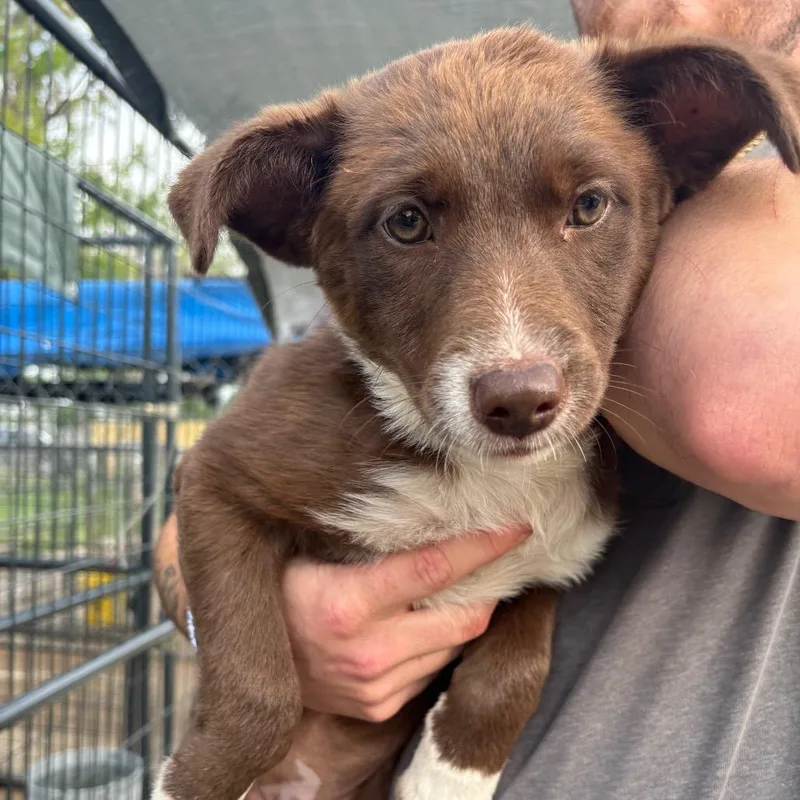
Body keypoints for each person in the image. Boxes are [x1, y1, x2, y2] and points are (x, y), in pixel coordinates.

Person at [154, 1, 800, 797]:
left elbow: (754, 410)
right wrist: (235, 649)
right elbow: (201, 513)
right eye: (408, 224)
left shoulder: (636, 125)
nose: (515, 363)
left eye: (586, 207)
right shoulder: (548, 117)